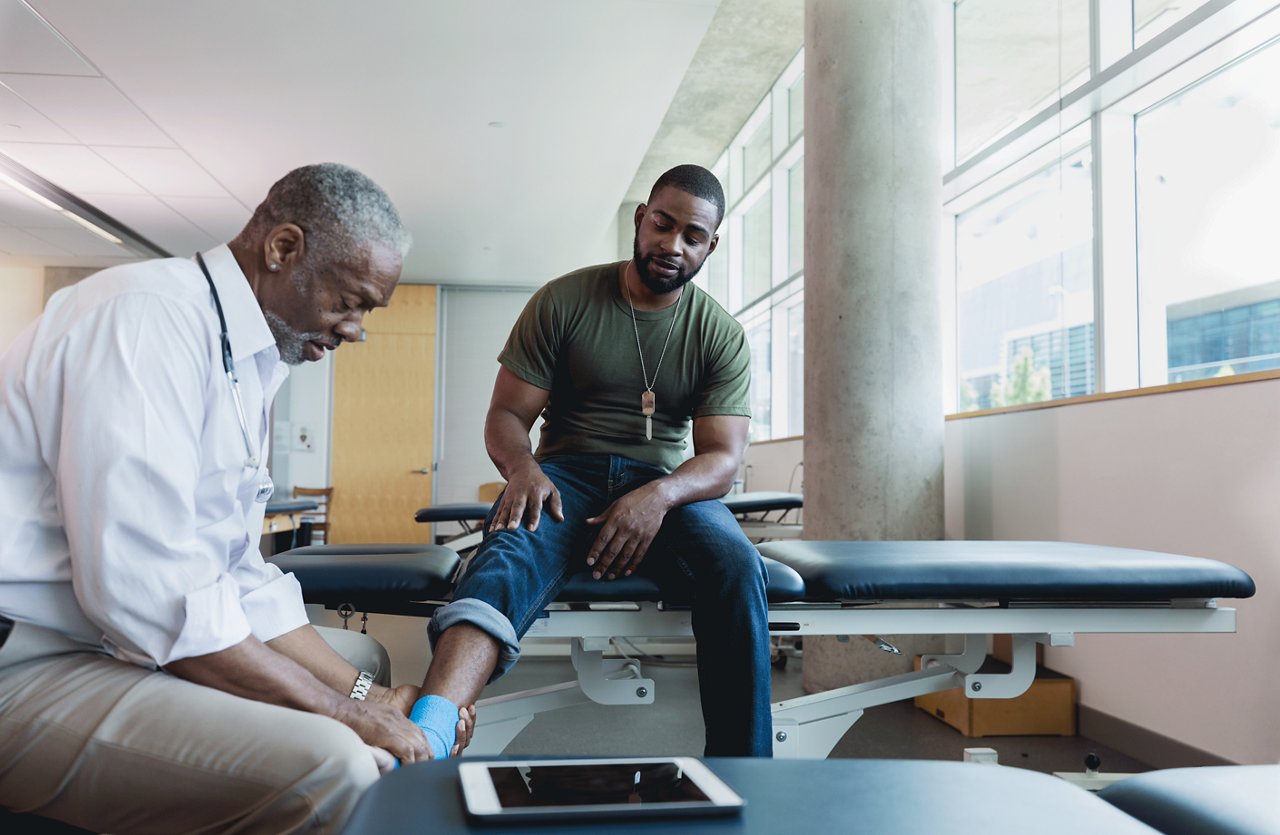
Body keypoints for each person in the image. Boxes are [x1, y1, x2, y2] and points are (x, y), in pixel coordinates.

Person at [0, 163, 470, 834]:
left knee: (363, 663)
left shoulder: (249, 361)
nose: (357, 329)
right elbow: (150, 594)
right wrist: (345, 713)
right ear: (282, 248)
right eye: (351, 300)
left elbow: (237, 577)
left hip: (103, 646)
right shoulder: (146, 320)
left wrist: (376, 696)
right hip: (26, 664)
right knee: (335, 764)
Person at [409, 164, 772, 759]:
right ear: (640, 218)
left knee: (736, 564)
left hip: (666, 484)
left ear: (712, 244)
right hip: (563, 475)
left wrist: (656, 498)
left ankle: (747, 771)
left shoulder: (718, 334)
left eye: (693, 236)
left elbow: (722, 459)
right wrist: (523, 471)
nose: (672, 245)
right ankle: (427, 733)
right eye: (663, 224)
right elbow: (505, 416)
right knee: (504, 553)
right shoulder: (565, 300)